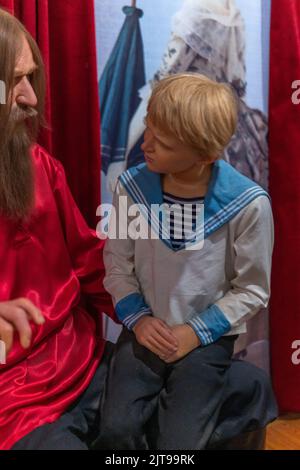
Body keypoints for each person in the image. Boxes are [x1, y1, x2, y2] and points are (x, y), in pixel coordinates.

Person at [94, 73, 275, 450]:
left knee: (181, 443)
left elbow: (252, 288)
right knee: (116, 430)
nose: (146, 144)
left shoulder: (248, 204)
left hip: (206, 340)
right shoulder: (130, 187)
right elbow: (117, 264)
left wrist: (194, 333)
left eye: (162, 142)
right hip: (143, 329)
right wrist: (139, 320)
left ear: (205, 154)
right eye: (148, 130)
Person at [0, 8, 115, 450]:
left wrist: (163, 302)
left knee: (237, 391)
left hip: (81, 359)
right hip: (13, 402)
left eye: (31, 78)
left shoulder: (40, 165)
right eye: (13, 83)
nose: (31, 98)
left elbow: (90, 262)